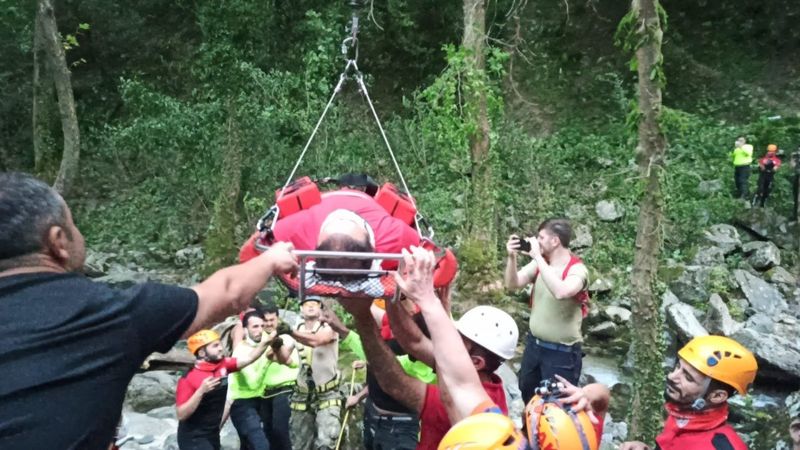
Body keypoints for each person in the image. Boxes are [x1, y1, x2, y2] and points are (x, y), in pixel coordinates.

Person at [0, 172, 297, 450]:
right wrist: (271, 260)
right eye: (73, 224)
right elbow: (226, 294)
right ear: (58, 242)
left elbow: (244, 357)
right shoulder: (108, 313)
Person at [339, 275, 519, 450]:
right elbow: (415, 342)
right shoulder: (473, 377)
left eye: (458, 339)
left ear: (476, 362)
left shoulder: (463, 406)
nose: (451, 341)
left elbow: (392, 382)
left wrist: (362, 318)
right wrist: (392, 293)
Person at [620, 335, 758, 450]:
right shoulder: (683, 416)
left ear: (717, 396)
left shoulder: (718, 446)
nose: (672, 376)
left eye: (688, 377)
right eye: (678, 366)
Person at [504, 218, 589, 404]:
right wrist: (512, 258)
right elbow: (512, 284)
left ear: (555, 240)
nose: (537, 241)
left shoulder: (577, 270)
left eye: (541, 237)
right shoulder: (541, 264)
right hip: (534, 347)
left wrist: (537, 257)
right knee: (528, 398)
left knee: (556, 407)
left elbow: (562, 291)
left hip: (562, 354)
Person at [176, 329, 273, 449]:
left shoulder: (224, 365)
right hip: (193, 437)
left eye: (220, 344)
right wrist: (201, 391)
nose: (221, 348)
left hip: (212, 433)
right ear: (201, 352)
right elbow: (181, 415)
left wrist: (266, 343)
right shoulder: (188, 378)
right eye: (215, 346)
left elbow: (248, 359)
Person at [227, 305, 296, 450]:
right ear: (246, 330)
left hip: (262, 399)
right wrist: (267, 357)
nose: (260, 330)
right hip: (243, 404)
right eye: (255, 327)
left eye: (262, 326)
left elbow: (290, 361)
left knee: (274, 435)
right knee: (258, 443)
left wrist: (277, 347)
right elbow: (252, 383)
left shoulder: (271, 339)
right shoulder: (240, 350)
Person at [287, 296, 343, 450]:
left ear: (320, 308)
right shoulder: (298, 329)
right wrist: (275, 345)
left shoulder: (328, 327)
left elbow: (318, 340)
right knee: (299, 444)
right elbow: (284, 358)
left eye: (314, 304)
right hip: (302, 394)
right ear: (301, 309)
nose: (311, 307)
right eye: (307, 304)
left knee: (326, 443)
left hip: (328, 393)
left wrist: (290, 332)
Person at [258, 301, 300, 450]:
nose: (269, 324)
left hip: (285, 388)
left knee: (281, 430)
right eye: (266, 320)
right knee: (267, 432)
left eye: (272, 320)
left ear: (278, 319)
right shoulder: (260, 337)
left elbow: (283, 357)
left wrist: (276, 345)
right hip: (265, 391)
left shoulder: (285, 335)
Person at [790, 147, 800, 220]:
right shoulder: (797, 158)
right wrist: (792, 157)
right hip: (797, 177)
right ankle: (795, 216)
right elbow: (792, 166)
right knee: (796, 197)